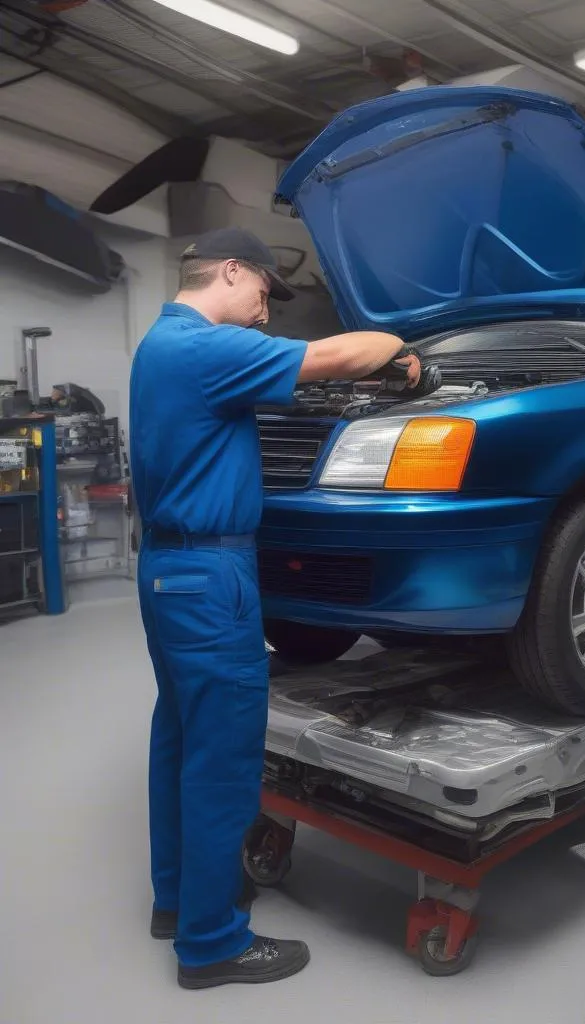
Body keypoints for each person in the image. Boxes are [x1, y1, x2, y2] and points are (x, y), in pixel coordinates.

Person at [129, 227, 419, 989]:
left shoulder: (160, 344)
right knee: (223, 758)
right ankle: (212, 944)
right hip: (209, 572)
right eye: (264, 291)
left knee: (180, 737)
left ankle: (177, 900)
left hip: (167, 566)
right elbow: (337, 357)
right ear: (231, 270)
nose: (265, 310)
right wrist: (400, 344)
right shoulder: (203, 349)